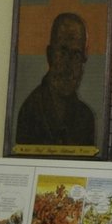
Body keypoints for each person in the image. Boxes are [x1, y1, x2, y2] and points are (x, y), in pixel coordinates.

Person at [14, 12, 97, 147]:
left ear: (83, 61)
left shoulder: (86, 118)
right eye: (63, 52)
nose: (68, 64)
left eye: (76, 55)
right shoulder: (31, 111)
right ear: (50, 55)